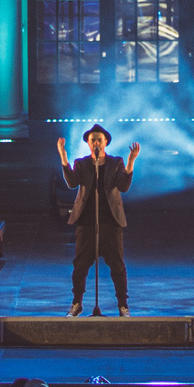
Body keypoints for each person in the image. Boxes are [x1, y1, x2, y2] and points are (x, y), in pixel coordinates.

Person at [59, 125, 141, 317]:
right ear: (88, 143)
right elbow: (71, 183)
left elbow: (123, 186)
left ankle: (123, 305)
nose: (96, 142)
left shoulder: (115, 163)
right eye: (92, 140)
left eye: (99, 139)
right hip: (87, 222)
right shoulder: (82, 163)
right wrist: (64, 157)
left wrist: (130, 163)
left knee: (117, 266)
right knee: (80, 265)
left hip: (111, 222)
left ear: (105, 142)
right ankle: (77, 303)